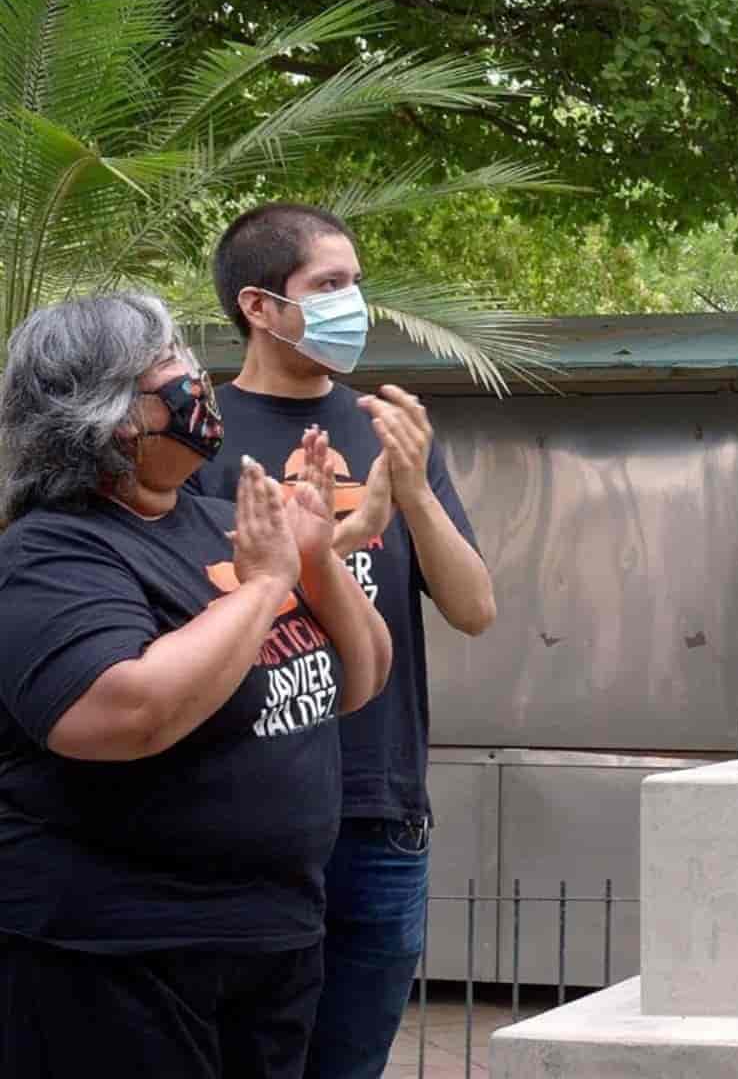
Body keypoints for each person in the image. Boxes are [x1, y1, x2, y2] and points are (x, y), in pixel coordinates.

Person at [0, 294, 391, 1077]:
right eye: (164, 365)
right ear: (104, 416)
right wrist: (262, 588)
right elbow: (120, 714)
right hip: (118, 954)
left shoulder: (221, 523)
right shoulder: (50, 553)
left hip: (272, 940)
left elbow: (360, 679)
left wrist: (315, 559)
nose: (193, 381)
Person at [188, 203, 497, 1079]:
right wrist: (330, 539)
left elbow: (475, 609)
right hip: (249, 810)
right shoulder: (197, 436)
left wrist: (414, 489)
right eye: (328, 286)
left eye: (357, 284)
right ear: (259, 305)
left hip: (380, 813)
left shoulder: (387, 428)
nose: (353, 303)